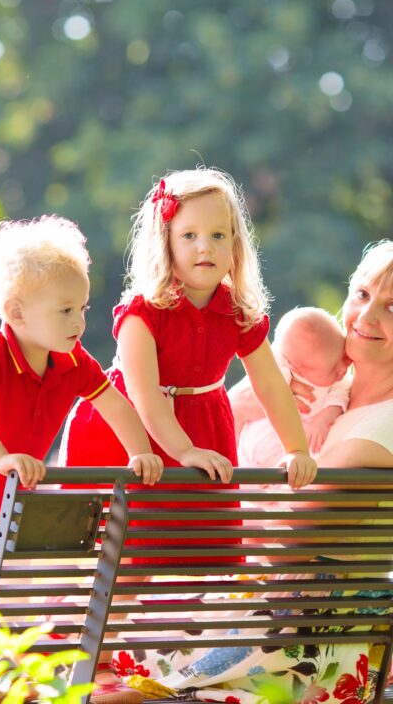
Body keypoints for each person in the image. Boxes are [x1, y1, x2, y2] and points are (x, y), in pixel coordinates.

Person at [112, 237, 393, 703]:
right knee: (108, 647)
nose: (366, 316)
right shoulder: (328, 391)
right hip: (280, 628)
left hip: (303, 648)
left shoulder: (392, 424)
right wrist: (236, 404)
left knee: (105, 648)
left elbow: (283, 533)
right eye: (361, 294)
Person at [0, 216, 163, 704]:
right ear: (16, 312)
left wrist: (141, 452)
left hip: (1, 496)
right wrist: (1, 456)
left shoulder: (70, 360)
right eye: (66, 310)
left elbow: (111, 402)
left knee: (13, 582)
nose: (79, 323)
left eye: (83, 308)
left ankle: (0, 669)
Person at [60, 168, 317, 567]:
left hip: (204, 428)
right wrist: (184, 450)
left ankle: (178, 626)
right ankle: (100, 624)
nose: (205, 248)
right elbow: (144, 395)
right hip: (131, 433)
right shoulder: (142, 314)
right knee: (130, 559)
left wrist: (296, 448)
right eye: (189, 236)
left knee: (203, 553)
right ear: (165, 242)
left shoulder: (236, 312)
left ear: (235, 243)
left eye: (218, 235)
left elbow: (270, 384)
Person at [229, 306, 352, 465]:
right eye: (333, 369)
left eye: (343, 357)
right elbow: (266, 387)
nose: (343, 369)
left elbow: (339, 398)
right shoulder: (279, 368)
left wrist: (324, 419)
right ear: (297, 369)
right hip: (255, 442)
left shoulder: (338, 380)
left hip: (296, 452)